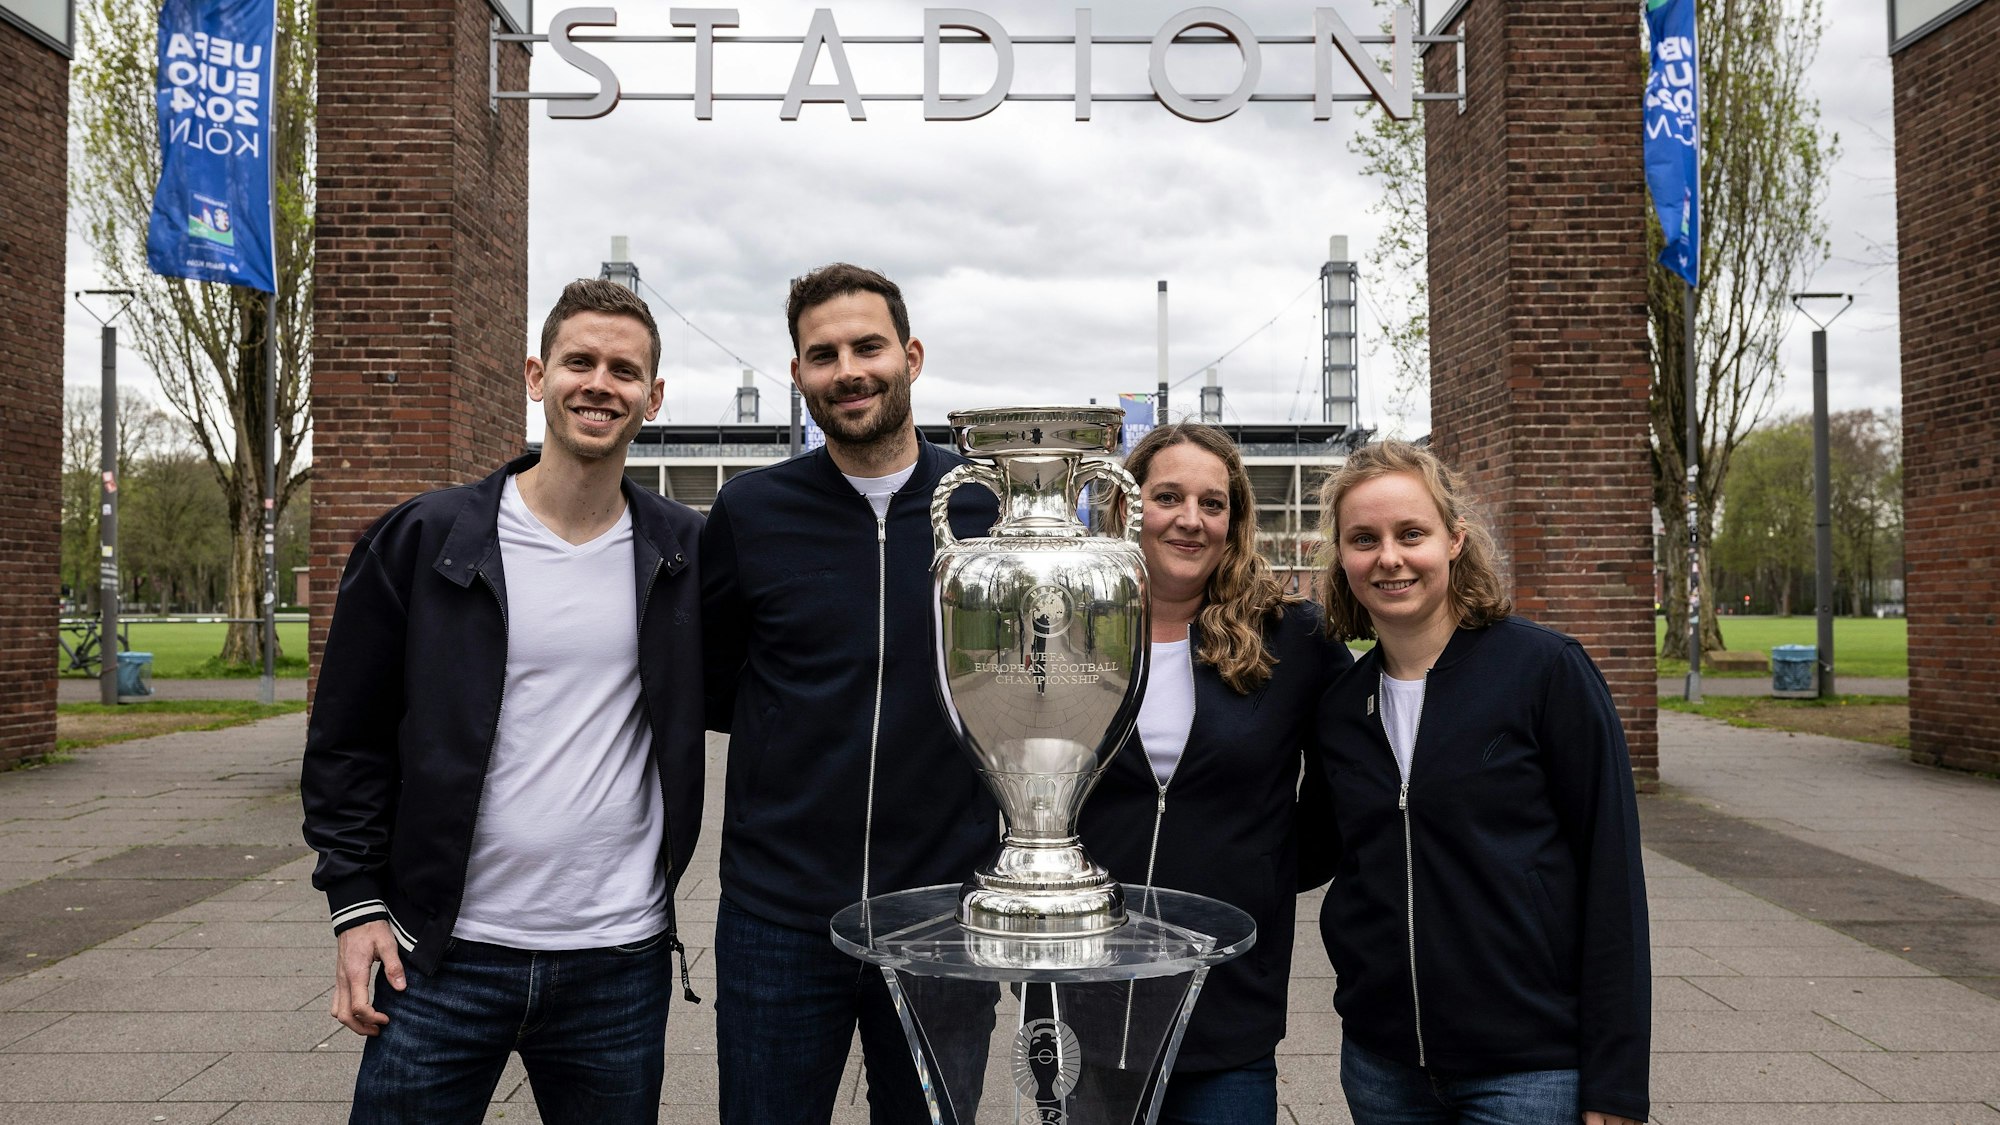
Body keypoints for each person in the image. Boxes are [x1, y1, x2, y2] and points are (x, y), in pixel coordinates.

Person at [301, 279, 706, 1125]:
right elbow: (347, 738)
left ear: (653, 396)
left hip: (616, 960)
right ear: (537, 374)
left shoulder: (686, 553)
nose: (601, 383)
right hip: (441, 955)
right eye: (580, 361)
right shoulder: (422, 539)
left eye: (625, 370)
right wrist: (355, 904)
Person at [700, 262, 998, 1124]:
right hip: (779, 915)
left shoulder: (983, 506)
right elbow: (722, 683)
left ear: (910, 355)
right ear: (798, 375)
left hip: (943, 911)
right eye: (821, 354)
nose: (848, 370)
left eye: (867, 346)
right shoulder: (750, 513)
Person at [1311, 440, 1650, 1125]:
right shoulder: (1341, 705)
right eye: (1364, 538)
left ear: (1455, 540)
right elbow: (1319, 850)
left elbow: (1612, 876)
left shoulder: (1545, 671)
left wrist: (1616, 1081)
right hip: (1381, 1066)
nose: (1389, 557)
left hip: (1527, 1071)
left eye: (1412, 534)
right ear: (1342, 557)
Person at [1077, 422, 1353, 1124]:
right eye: (1167, 496)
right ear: (1125, 508)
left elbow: (1347, 782)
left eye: (1213, 502)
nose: (1191, 520)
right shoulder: (1068, 627)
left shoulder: (1294, 639)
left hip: (1227, 1001)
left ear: (1234, 521)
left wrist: (1265, 866)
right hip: (1088, 991)